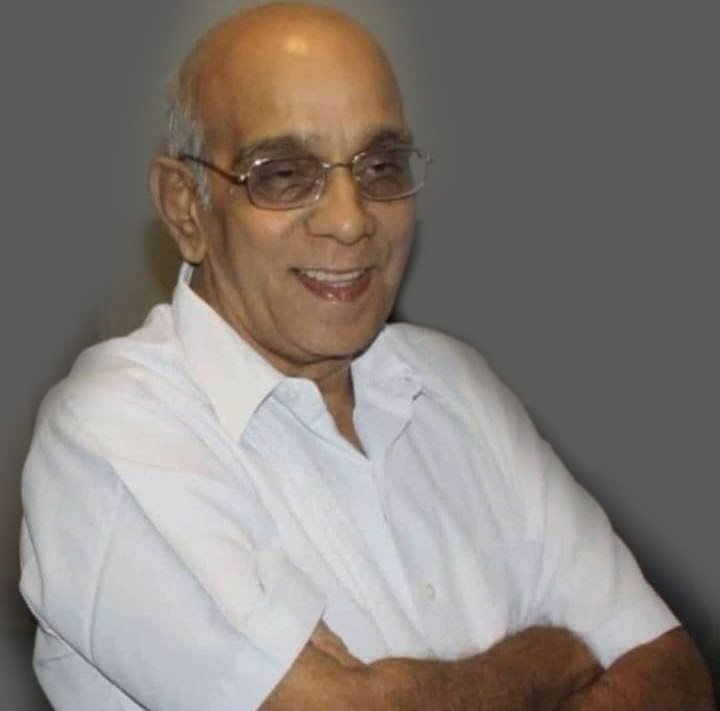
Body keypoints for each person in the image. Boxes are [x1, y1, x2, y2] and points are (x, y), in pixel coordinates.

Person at [19, 3, 715, 710]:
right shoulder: (113, 428)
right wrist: (554, 653)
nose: (351, 220)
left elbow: (676, 673)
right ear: (185, 207)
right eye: (283, 173)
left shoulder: (455, 385)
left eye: (380, 167)